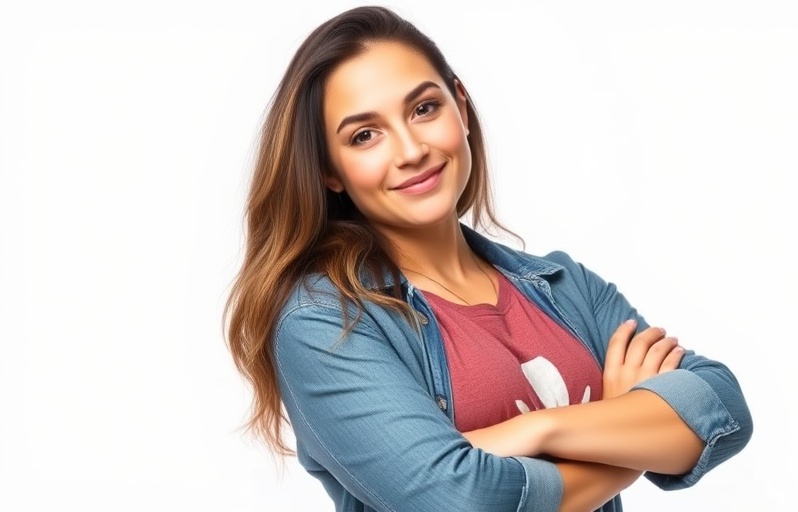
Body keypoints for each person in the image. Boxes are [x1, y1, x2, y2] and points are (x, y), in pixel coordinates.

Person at [224, 5, 753, 511]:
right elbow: (463, 500)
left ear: (461, 104)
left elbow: (720, 409)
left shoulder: (564, 286)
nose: (410, 149)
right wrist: (624, 436)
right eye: (365, 136)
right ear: (329, 170)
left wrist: (536, 429)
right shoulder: (324, 323)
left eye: (424, 108)